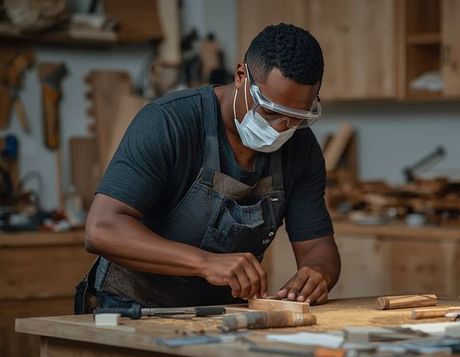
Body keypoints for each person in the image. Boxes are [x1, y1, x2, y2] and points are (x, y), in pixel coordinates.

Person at [74, 24, 341, 312]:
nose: (281, 128)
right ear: (241, 76)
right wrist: (205, 262)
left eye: (296, 117)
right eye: (270, 111)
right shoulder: (168, 122)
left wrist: (318, 273)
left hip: (222, 314)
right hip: (130, 309)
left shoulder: (300, 146)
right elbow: (102, 229)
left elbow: (317, 247)